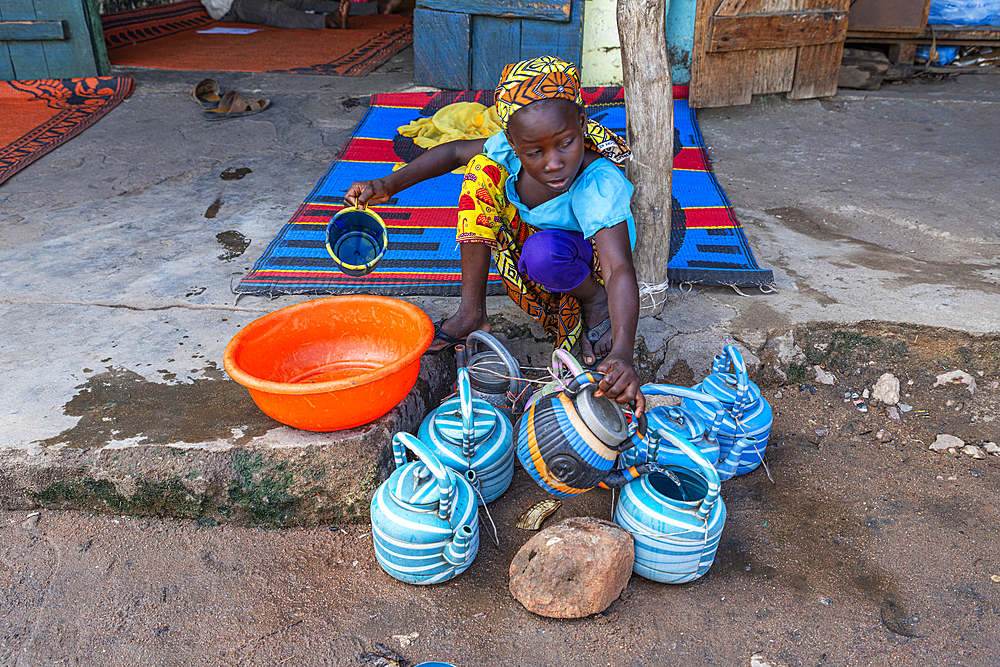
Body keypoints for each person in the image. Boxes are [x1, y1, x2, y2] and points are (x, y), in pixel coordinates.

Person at [345, 56, 645, 413]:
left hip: (584, 260)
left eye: (565, 143)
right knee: (481, 173)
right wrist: (386, 184)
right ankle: (472, 313)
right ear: (513, 143)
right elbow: (455, 151)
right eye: (535, 152)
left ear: (581, 122)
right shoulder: (507, 151)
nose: (553, 162)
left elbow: (619, 269)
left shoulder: (597, 181)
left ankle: (593, 301)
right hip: (534, 248)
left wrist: (623, 352)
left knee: (542, 252)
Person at [201, 0, 401, 30]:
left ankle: (376, 8)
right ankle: (329, 21)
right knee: (273, 11)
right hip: (227, 5)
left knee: (301, 1)